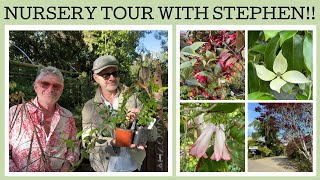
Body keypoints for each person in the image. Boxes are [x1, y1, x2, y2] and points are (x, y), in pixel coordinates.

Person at [82, 55, 156, 172]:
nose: (112, 78)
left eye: (115, 73)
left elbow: (152, 136)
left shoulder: (134, 98)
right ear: (96, 78)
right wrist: (110, 142)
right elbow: (86, 139)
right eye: (105, 75)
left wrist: (144, 120)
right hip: (103, 168)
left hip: (131, 167)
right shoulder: (89, 107)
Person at [9, 66, 80, 172]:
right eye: (45, 84)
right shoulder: (15, 113)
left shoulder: (67, 116)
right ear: (35, 86)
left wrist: (68, 164)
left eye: (56, 86)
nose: (50, 89)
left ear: (62, 90)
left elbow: (74, 145)